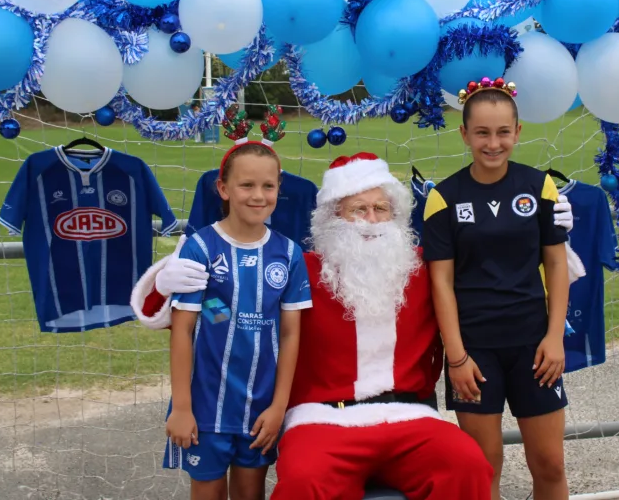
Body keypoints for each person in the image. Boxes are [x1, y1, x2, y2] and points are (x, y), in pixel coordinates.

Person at [132, 154, 577, 499]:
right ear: (331, 218)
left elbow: (495, 262)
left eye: (381, 208)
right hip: (324, 418)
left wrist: (545, 232)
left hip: (410, 415)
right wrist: (163, 283)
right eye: (357, 209)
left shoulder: (421, 269)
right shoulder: (298, 267)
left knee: (467, 466)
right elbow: (224, 299)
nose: (370, 220)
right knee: (303, 481)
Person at [423, 78, 571, 500]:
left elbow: (557, 264)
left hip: (535, 347)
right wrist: (457, 357)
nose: (493, 143)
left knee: (550, 463)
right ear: (464, 134)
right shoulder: (443, 198)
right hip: (474, 353)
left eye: (503, 132)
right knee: (482, 469)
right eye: (482, 133)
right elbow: (441, 284)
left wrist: (555, 337)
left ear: (518, 132)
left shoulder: (539, 186)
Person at [163, 139, 312, 500]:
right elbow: (183, 330)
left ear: (279, 188)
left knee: (250, 493)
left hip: (260, 408)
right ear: (223, 189)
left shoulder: (289, 253)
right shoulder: (200, 247)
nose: (258, 195)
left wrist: (279, 406)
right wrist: (182, 407)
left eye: (268, 186)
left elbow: (291, 335)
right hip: (206, 406)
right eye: (247, 185)